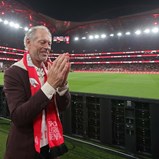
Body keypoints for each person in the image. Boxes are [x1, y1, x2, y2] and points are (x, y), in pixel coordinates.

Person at [3, 25, 71, 159]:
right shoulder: (14, 72)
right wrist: (50, 85)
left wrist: (62, 85)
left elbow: (63, 107)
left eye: (49, 43)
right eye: (42, 42)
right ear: (28, 42)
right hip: (25, 149)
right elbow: (19, 117)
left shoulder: (50, 70)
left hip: (50, 147)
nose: (48, 47)